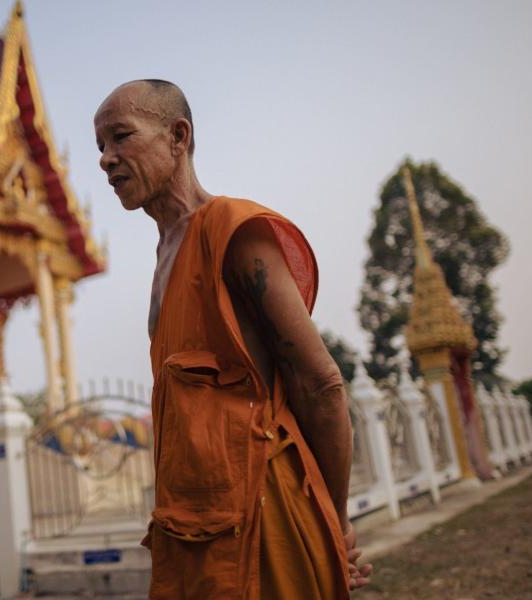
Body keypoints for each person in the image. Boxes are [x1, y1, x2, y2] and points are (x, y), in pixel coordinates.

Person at [94, 80, 373, 598]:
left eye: (121, 137)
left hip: (267, 520)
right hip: (192, 531)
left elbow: (321, 385)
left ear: (178, 136)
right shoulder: (163, 260)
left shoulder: (231, 231)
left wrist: (334, 521)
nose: (106, 160)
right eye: (100, 147)